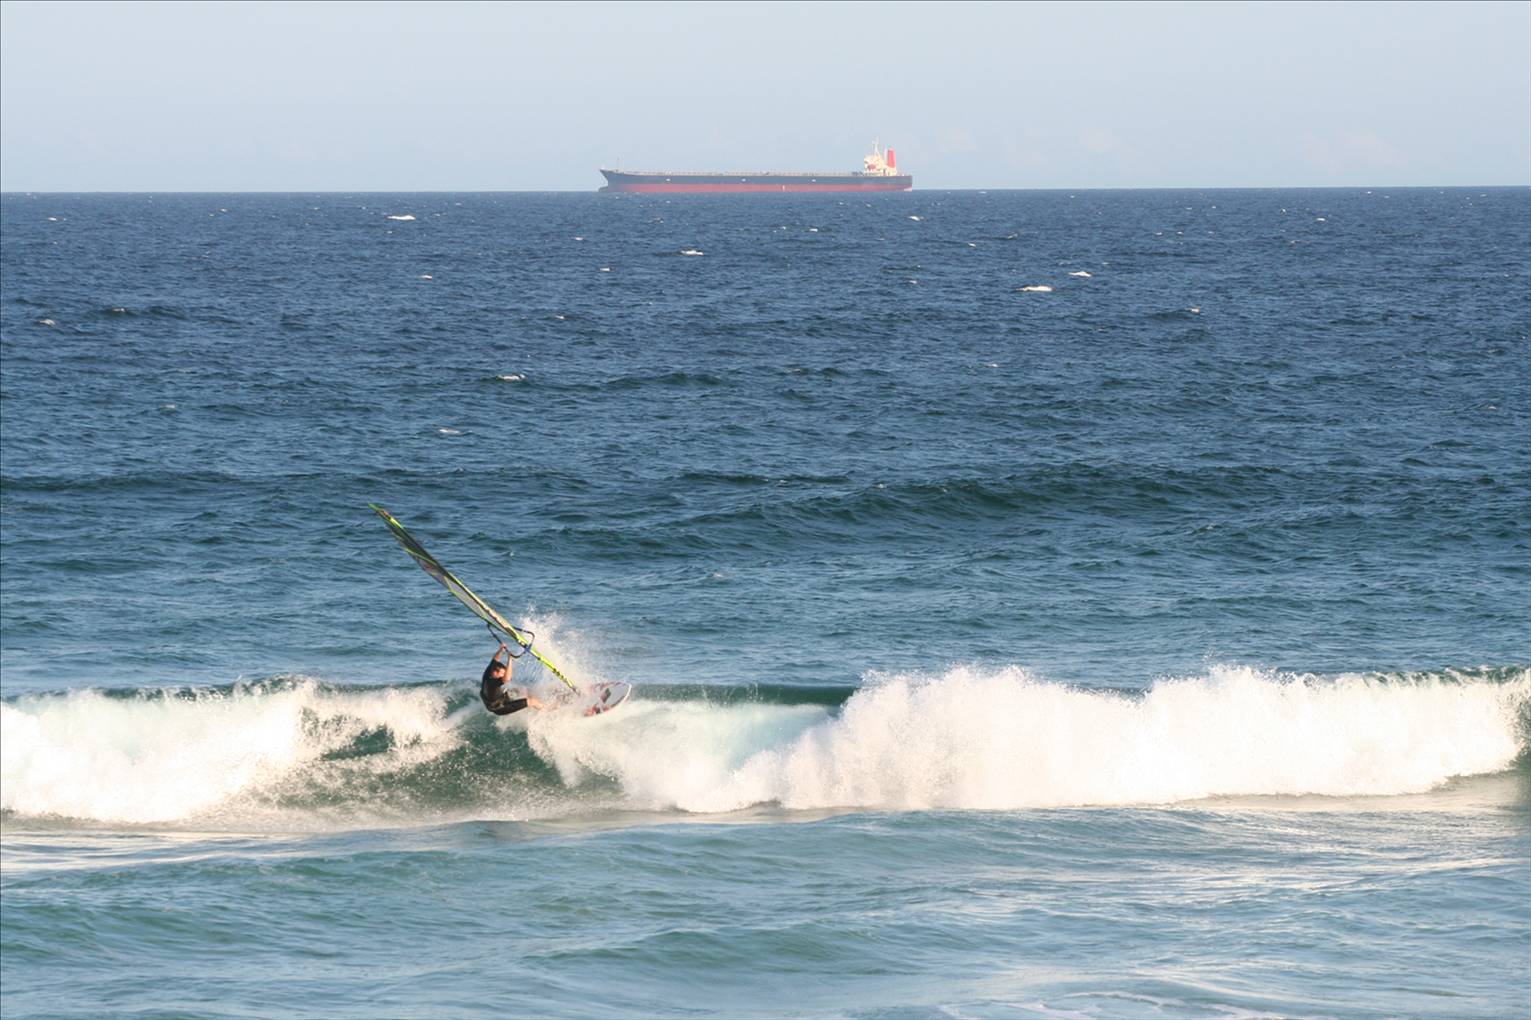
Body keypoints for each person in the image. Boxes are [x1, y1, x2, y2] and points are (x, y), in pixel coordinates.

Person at [480, 642, 545, 716]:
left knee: (520, 690)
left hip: (499, 699)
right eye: (502, 674)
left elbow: (495, 660)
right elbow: (507, 679)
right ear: (495, 673)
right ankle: (545, 710)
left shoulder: (488, 673)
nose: (502, 676)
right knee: (531, 701)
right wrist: (510, 659)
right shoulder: (492, 684)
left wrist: (501, 650)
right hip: (500, 708)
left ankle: (532, 700)